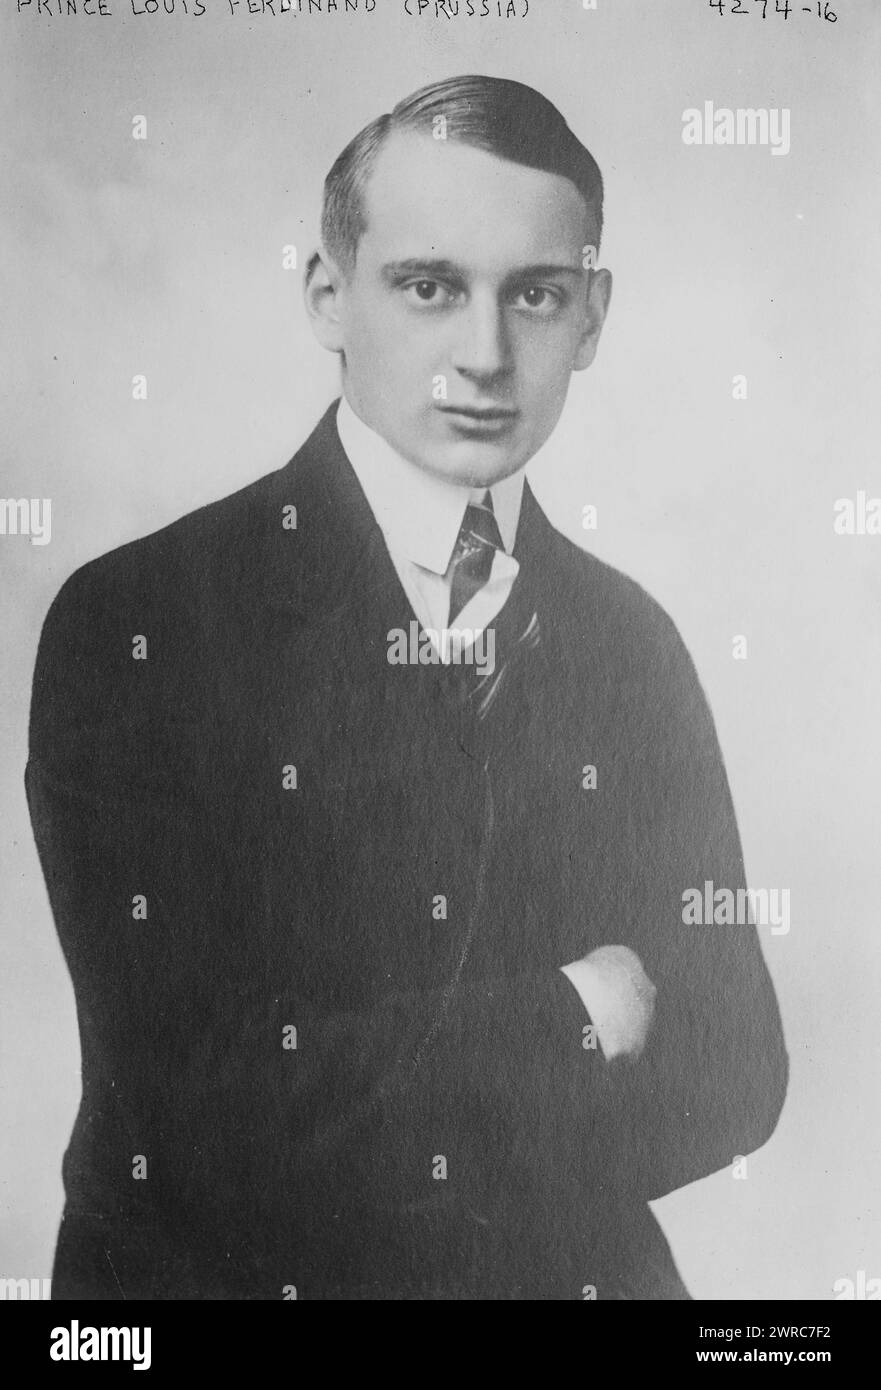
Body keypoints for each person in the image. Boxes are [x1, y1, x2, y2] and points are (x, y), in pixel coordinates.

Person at [26, 75, 787, 1301]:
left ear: (591, 318)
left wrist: (356, 1082)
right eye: (427, 288)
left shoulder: (630, 643)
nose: (483, 355)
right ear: (328, 296)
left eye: (533, 295)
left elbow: (735, 1073)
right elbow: (187, 1112)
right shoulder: (138, 624)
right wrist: (569, 1011)